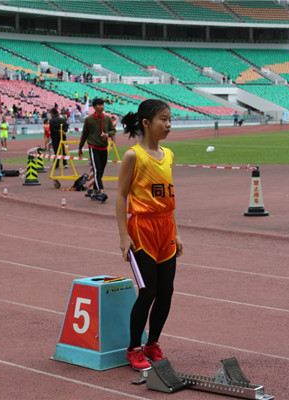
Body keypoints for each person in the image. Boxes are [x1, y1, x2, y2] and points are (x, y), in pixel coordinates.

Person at [116, 99, 183, 370]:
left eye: (170, 119)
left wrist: (176, 232)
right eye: (163, 119)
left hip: (165, 227)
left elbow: (169, 199)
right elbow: (121, 196)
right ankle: (133, 348)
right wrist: (123, 235)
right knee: (148, 291)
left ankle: (152, 343)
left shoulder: (168, 155)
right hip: (142, 229)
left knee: (166, 291)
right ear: (146, 123)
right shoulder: (133, 155)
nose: (168, 125)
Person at [78, 98, 116, 201]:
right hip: (93, 147)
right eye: (99, 105)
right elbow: (84, 134)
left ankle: (94, 192)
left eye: (102, 104)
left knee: (101, 171)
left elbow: (113, 130)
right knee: (96, 170)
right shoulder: (89, 119)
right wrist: (80, 147)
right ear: (94, 107)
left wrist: (107, 134)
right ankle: (101, 192)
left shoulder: (107, 119)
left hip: (104, 147)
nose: (101, 106)